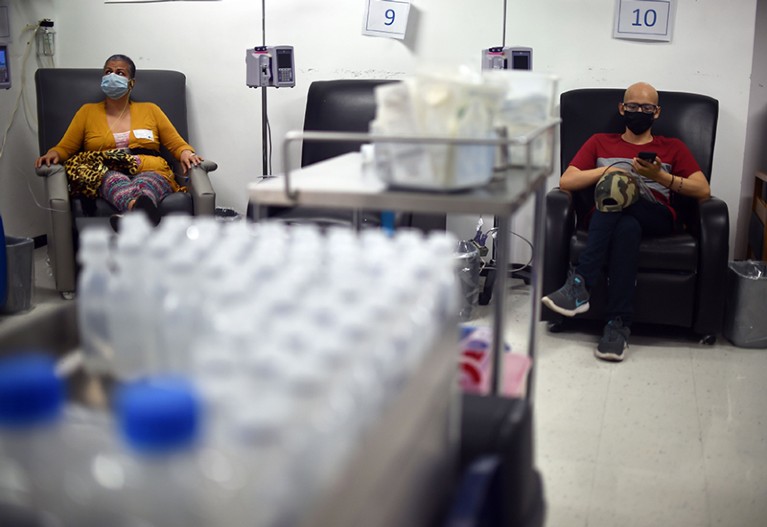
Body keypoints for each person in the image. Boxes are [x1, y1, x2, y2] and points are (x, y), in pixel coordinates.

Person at [541, 82, 711, 362]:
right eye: (633, 106)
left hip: (655, 214)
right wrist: (611, 169)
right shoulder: (599, 141)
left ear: (657, 113)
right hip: (611, 215)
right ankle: (616, 325)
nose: (639, 112)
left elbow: (702, 189)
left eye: (646, 108)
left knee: (620, 190)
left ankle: (580, 285)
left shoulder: (672, 147)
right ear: (622, 108)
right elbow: (566, 181)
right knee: (625, 224)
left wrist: (659, 177)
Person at [34, 54, 204, 228]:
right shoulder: (87, 112)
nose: (112, 76)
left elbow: (176, 144)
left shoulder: (150, 110)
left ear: (132, 82)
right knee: (112, 179)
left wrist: (186, 152)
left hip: (151, 169)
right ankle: (137, 215)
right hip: (106, 170)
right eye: (108, 72)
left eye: (120, 73)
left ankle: (129, 218)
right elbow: (66, 147)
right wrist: (53, 153)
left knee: (146, 182)